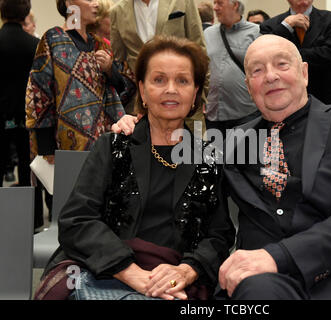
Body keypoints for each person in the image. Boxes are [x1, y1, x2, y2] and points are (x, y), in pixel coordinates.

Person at [113, 34, 331, 300]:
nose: (271, 76)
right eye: (257, 71)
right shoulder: (232, 143)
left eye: (281, 64)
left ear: (304, 73)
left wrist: (279, 256)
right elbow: (178, 172)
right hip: (263, 284)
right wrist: (138, 129)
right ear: (249, 87)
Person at [34, 35, 235, 300]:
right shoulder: (113, 145)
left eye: (183, 80)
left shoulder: (208, 158)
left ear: (195, 92)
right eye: (159, 79)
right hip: (102, 271)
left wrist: (187, 270)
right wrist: (131, 273)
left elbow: (219, 235)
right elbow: (77, 220)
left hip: (175, 281)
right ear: (142, 89)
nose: (171, 89)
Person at [26, 0, 136, 164]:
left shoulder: (99, 45)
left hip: (104, 148)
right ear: (69, 2)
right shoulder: (53, 40)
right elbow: (38, 93)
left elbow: (127, 87)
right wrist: (46, 148)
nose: (96, 3)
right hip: (65, 147)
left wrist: (110, 70)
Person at [110, 0, 206, 121]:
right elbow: (119, 59)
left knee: (194, 139)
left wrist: (202, 95)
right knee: (148, 139)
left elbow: (200, 50)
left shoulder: (182, 2)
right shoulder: (117, 11)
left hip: (186, 104)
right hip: (141, 107)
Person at [260, 0, 331, 105]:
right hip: (284, 101)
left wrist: (287, 57)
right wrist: (286, 26)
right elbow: (269, 55)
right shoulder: (271, 26)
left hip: (324, 99)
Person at [0, 0, 40, 220]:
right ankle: (32, 220)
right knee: (28, 169)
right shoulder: (34, 45)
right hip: (27, 117)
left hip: (1, 116)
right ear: (25, 13)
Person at [203, 0, 260, 136]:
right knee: (216, 156)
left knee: (244, 156)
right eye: (214, 3)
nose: (215, 8)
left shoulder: (256, 32)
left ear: (235, 5)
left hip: (246, 114)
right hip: (213, 115)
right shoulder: (207, 34)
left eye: (219, 3)